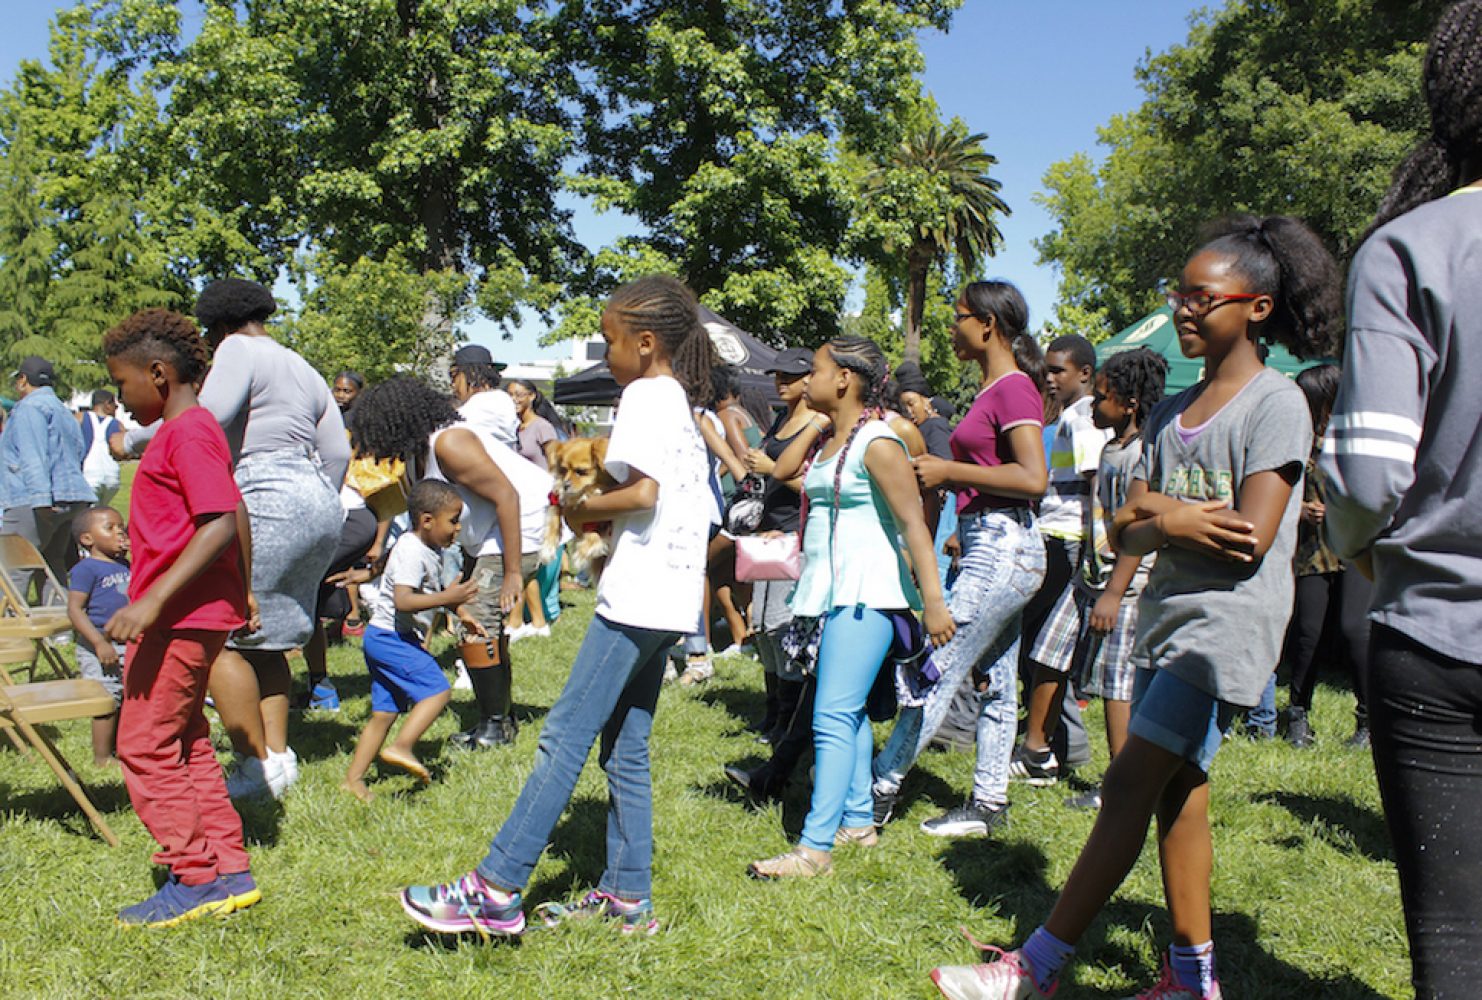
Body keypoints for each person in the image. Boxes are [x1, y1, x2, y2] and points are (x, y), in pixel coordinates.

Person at [930, 214, 1341, 1000]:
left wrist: (1162, 521)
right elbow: (1124, 521)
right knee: (1178, 794)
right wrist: (1181, 519)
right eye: (1180, 295)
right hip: (1166, 619)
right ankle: (1193, 979)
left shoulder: (1275, 404)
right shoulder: (1170, 410)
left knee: (1125, 785)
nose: (1186, 309)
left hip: (1223, 631)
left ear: (1257, 306)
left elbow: (1250, 537)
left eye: (1203, 296)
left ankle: (1034, 968)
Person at [399, 275, 715, 938]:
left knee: (563, 737)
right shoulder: (678, 401)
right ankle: (628, 898)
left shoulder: (645, 397)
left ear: (647, 342)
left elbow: (643, 495)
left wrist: (576, 505)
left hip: (639, 596)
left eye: (610, 340)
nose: (606, 354)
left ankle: (496, 887)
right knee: (623, 749)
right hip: (672, 600)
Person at [1321, 6, 1482, 994]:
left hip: (1435, 635)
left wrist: (1361, 549)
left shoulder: (1410, 249)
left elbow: (1369, 476)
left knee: (1459, 936)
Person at [124, 278, 349, 801]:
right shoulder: (302, 364)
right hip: (315, 497)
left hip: (261, 494)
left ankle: (252, 764)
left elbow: (209, 415)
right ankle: (278, 757)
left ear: (217, 323)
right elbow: (336, 448)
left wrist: (132, 440)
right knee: (267, 640)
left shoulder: (237, 350)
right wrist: (318, 501)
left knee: (221, 636)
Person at [747, 337, 952, 878]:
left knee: (831, 715)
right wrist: (821, 420)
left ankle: (814, 848)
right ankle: (859, 821)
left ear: (843, 378)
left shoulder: (879, 443)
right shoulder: (835, 437)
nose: (805, 381)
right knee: (849, 711)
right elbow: (781, 469)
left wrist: (934, 602)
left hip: (870, 593)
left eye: (814, 370)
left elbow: (914, 524)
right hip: (834, 592)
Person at [868, 281, 1048, 837]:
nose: (952, 329)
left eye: (960, 318)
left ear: (988, 325)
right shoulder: (995, 387)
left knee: (934, 668)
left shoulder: (1014, 389)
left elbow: (1033, 478)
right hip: (991, 542)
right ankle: (989, 803)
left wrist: (951, 473)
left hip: (1002, 548)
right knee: (995, 678)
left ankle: (875, 793)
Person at [100, 307, 259, 928]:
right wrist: (240, 594)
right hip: (192, 612)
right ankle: (228, 867)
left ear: (158, 373)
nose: (120, 395)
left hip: (175, 618)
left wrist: (151, 602)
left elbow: (219, 521)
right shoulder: (188, 432)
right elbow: (235, 511)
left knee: (140, 745)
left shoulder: (188, 431)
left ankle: (192, 877)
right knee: (186, 739)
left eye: (123, 383)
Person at [348, 376, 533, 750]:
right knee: (487, 627)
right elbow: (417, 531)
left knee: (476, 624)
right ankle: (502, 716)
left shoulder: (449, 442)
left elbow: (508, 496)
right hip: (485, 535)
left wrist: (513, 572)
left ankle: (493, 727)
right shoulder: (415, 457)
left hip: (520, 526)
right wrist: (376, 568)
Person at [1028, 348, 1167, 811]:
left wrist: (1113, 592)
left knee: (1114, 685)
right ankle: (1034, 752)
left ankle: (1119, 785)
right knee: (1048, 652)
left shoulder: (1141, 454)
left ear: (1128, 403)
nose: (1093, 406)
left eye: (1102, 398)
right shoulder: (1110, 448)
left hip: (1122, 586)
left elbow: (1135, 532)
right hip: (1088, 576)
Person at [342, 480, 480, 802]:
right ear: (427, 520)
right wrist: (450, 596)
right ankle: (401, 746)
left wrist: (460, 610)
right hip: (391, 637)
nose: (458, 529)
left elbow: (427, 594)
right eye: (453, 520)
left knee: (384, 714)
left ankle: (353, 780)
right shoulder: (412, 551)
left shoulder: (424, 548)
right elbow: (403, 600)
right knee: (438, 690)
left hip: (385, 637)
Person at [1017, 334, 1107, 785]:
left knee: (1044, 648)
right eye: (1047, 371)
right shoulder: (1072, 415)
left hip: (1069, 539)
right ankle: (1052, 745)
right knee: (1044, 649)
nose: (1049, 379)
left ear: (1085, 374)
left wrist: (1094, 550)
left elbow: (1095, 484)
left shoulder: (1085, 417)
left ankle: (1048, 748)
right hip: (1058, 536)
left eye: (1058, 371)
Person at [1279, 364, 1346, 748]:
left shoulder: (1350, 441)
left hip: (1352, 549)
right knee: (1307, 633)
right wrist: (1301, 510)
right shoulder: (1297, 441)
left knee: (1356, 633)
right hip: (1310, 552)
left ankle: (1367, 721)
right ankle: (1297, 716)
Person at [0, 355, 96, 597]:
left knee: (13, 567)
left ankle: (10, 631)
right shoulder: (65, 412)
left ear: (23, 380)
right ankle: (60, 630)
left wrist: (41, 501)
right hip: (71, 498)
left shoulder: (28, 409)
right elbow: (78, 451)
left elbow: (33, 457)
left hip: (33, 500)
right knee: (53, 565)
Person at [66, 506, 131, 765]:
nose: (120, 533)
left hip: (127, 644)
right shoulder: (86, 569)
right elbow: (75, 609)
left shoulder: (125, 564)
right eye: (110, 528)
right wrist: (98, 643)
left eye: (122, 528)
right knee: (106, 700)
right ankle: (102, 757)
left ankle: (122, 747)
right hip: (100, 646)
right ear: (87, 539)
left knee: (126, 697)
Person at [449, 344, 518, 449]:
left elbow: (450, 429)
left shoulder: (491, 401)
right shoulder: (496, 399)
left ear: (472, 374)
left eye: (454, 376)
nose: (453, 384)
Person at [506, 378, 563, 471]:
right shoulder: (512, 427)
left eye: (519, 395)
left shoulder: (542, 426)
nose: (513, 399)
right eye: (510, 395)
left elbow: (554, 462)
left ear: (532, 396)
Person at [79, 389, 123, 507]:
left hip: (89, 475)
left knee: (89, 514)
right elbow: (122, 452)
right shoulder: (117, 424)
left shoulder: (81, 417)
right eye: (115, 405)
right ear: (107, 404)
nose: (116, 409)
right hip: (112, 477)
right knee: (101, 509)